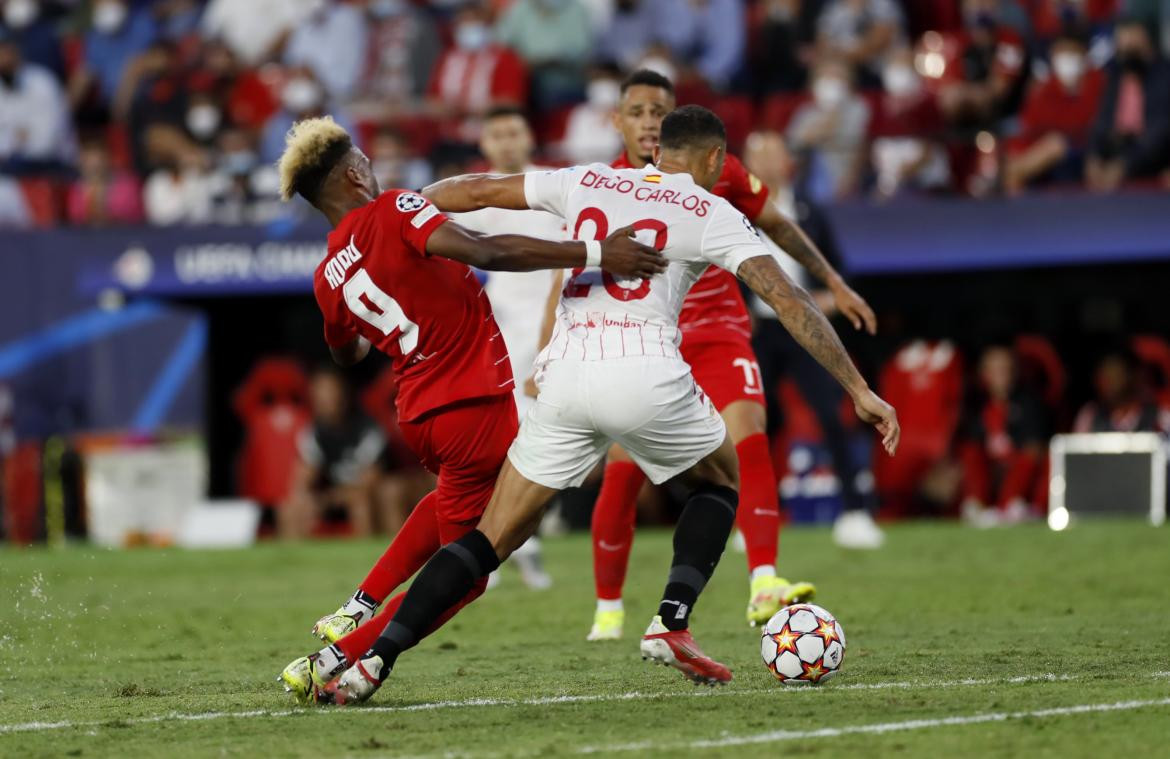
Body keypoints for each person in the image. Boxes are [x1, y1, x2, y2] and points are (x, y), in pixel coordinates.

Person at [313, 105, 899, 704]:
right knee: (723, 477)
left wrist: (408, 206)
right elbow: (790, 300)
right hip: (646, 372)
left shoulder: (588, 178)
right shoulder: (713, 210)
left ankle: (369, 664)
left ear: (655, 152)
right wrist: (859, 389)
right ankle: (671, 621)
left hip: (562, 378)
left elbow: (477, 188)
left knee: (489, 539)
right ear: (716, 161)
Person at [273, 115, 663, 702]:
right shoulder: (395, 209)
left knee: (457, 507)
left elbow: (345, 350)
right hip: (472, 402)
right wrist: (595, 252)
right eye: (366, 161)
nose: (375, 169)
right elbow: (487, 249)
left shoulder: (328, 273)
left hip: (424, 413)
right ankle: (348, 659)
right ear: (355, 175)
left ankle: (356, 610)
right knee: (472, 567)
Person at [585, 70, 876, 641]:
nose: (650, 122)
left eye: (660, 112)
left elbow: (776, 224)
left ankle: (764, 580)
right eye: (639, 111)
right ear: (617, 120)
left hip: (717, 327)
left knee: (747, 433)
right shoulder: (602, 184)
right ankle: (608, 607)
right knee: (621, 470)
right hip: (643, 334)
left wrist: (832, 280)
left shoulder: (720, 170)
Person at [742, 129, 885, 549]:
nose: (767, 162)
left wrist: (826, 300)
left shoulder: (809, 212)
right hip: (758, 330)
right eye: (759, 153)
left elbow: (835, 270)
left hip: (803, 328)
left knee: (831, 414)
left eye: (773, 152)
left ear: (788, 161)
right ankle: (750, 517)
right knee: (751, 426)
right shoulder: (735, 212)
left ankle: (856, 511)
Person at [449, 105, 562, 591]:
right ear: (486, 145)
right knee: (508, 438)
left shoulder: (558, 186)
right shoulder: (471, 196)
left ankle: (513, 538)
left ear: (528, 135)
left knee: (548, 439)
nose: (507, 139)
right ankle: (505, 544)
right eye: (496, 133)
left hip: (560, 325)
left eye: (514, 129)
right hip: (501, 330)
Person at [280, 366, 389, 539]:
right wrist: (306, 497)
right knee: (290, 507)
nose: (326, 398)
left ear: (344, 394)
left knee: (361, 504)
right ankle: (295, 562)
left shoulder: (368, 430)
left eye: (331, 391)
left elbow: (370, 483)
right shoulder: (314, 433)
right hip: (331, 496)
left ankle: (366, 562)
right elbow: (302, 479)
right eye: (320, 393)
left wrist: (332, 498)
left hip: (361, 496)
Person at [957, 343, 1049, 528]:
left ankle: (1011, 507)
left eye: (1006, 369)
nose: (1002, 375)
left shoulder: (1029, 403)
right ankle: (977, 506)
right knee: (969, 453)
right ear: (984, 374)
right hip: (992, 471)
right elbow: (973, 447)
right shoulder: (976, 407)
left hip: (1018, 474)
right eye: (996, 370)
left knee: (1034, 456)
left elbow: (1033, 448)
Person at [1004, 30, 1105, 193]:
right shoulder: (1044, 88)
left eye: (1072, 52)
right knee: (1014, 157)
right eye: (1060, 52)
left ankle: (1007, 178)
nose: (1066, 58)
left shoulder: (1099, 83)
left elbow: (1095, 127)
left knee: (1055, 143)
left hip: (1084, 151)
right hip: (1046, 158)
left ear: (1084, 55)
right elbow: (1028, 130)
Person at [1085, 17, 1170, 192]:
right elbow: (1102, 120)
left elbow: (1159, 132)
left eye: (1131, 49)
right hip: (1118, 154)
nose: (1124, 55)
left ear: (1148, 43)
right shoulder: (1116, 76)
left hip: (1152, 159)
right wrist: (1093, 157)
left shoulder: (1164, 76)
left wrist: (1124, 166)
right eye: (1121, 50)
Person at [787, 58, 871, 200]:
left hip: (847, 178)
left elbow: (863, 146)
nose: (831, 82)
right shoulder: (806, 112)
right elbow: (791, 147)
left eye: (837, 77)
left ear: (848, 84)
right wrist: (817, 130)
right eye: (826, 76)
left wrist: (850, 178)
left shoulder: (859, 108)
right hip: (808, 180)